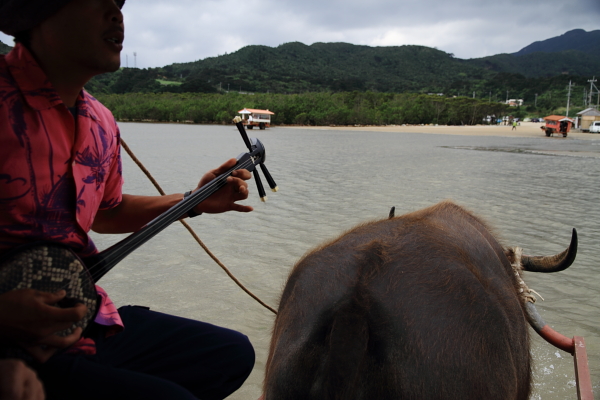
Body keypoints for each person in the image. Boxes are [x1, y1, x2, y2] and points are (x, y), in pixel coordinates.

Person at [0, 0, 255, 399]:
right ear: (38, 10)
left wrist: (194, 200)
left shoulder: (100, 121)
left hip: (79, 320)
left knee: (230, 354)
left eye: (119, 4)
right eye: (99, 2)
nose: (117, 15)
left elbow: (108, 211)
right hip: (12, 343)